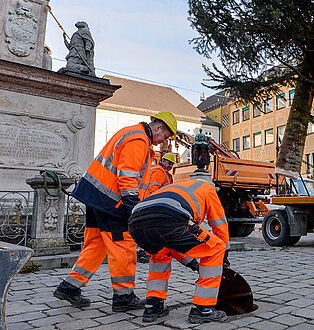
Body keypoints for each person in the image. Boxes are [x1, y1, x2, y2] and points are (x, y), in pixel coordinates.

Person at [53, 111, 178, 312]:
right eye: (165, 136)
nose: (164, 142)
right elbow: (127, 174)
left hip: (96, 197)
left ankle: (69, 286)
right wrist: (132, 207)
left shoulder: (130, 133)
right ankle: (124, 297)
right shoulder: (139, 139)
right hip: (112, 203)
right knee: (124, 246)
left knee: (96, 245)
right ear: (158, 128)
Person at [128, 179, 230, 324]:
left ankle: (153, 304)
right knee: (216, 247)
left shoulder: (174, 188)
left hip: (136, 225)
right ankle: (203, 309)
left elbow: (173, 246)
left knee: (160, 253)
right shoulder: (207, 188)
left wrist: (193, 264)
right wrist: (225, 253)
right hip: (170, 218)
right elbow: (218, 222)